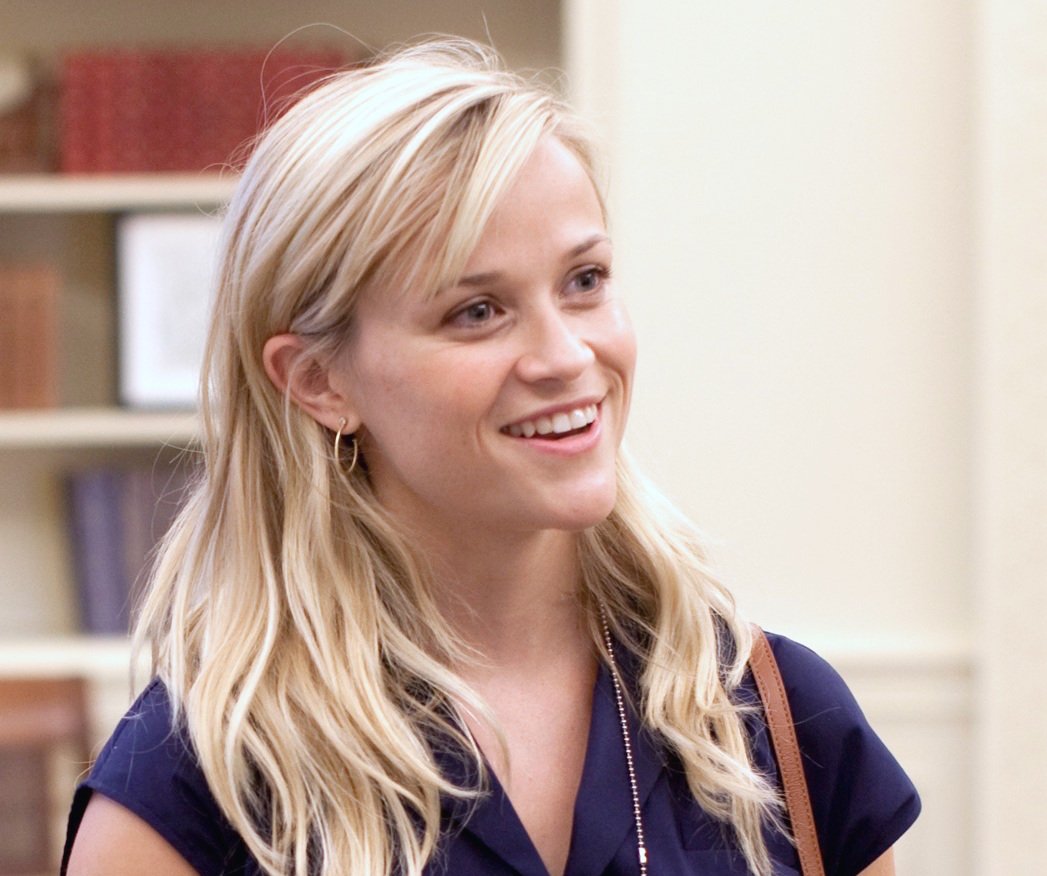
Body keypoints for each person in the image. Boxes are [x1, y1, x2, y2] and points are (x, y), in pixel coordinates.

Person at [63, 39, 919, 876]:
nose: (564, 356)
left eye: (583, 281)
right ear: (319, 381)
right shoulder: (193, 792)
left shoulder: (779, 724)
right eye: (476, 311)